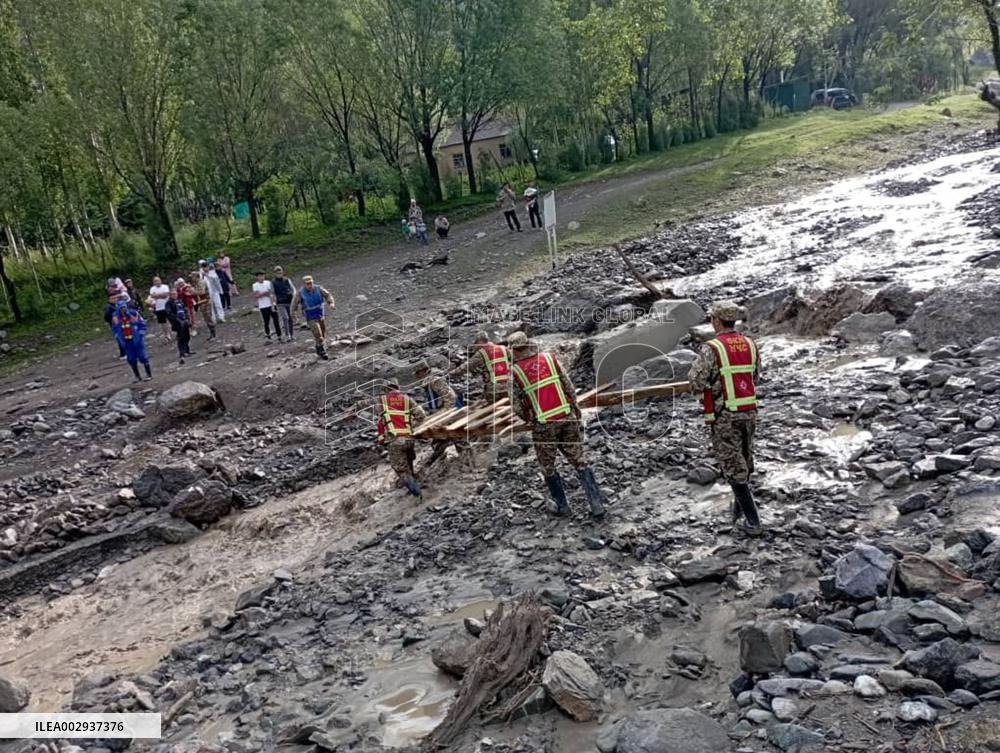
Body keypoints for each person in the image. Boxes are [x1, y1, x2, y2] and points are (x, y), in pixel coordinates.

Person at [509, 331, 605, 518]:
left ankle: (562, 506)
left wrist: (529, 418)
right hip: (566, 416)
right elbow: (568, 385)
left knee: (548, 465)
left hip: (544, 424)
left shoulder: (515, 371)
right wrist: (574, 408)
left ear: (514, 350)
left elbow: (515, 406)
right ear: (529, 344)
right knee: (579, 460)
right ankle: (596, 504)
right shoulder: (549, 358)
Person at [687, 300, 763, 537]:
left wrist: (712, 388)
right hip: (748, 410)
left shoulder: (713, 348)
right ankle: (737, 515)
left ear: (716, 320)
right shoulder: (750, 344)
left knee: (732, 465)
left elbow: (696, 382)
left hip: (725, 414)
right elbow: (755, 376)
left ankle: (753, 521)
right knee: (744, 460)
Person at [413, 359, 473, 468]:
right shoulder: (430, 381)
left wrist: (447, 415)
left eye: (417, 374)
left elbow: (450, 397)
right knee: (439, 442)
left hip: (450, 416)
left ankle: (470, 466)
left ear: (422, 371)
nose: (417, 377)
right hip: (444, 416)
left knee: (459, 440)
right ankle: (440, 468)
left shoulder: (435, 380)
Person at [377, 378, 426, 497]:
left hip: (394, 441)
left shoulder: (382, 400)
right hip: (409, 439)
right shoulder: (407, 399)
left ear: (386, 388)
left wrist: (381, 438)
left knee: (402, 469)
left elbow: (381, 422)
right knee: (408, 464)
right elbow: (421, 415)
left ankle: (418, 495)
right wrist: (411, 427)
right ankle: (413, 487)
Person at [452, 331, 511, 404]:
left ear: (480, 341)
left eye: (476, 343)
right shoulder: (503, 348)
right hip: (510, 386)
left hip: (494, 390)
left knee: (486, 401)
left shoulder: (481, 353)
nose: (475, 345)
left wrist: (451, 373)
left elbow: (466, 367)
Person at [290, 275, 335, 360]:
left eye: (311, 283)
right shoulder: (300, 293)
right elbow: (294, 304)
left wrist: (331, 303)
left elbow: (328, 295)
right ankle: (322, 351)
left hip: (320, 315)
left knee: (323, 332)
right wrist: (294, 315)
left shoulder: (318, 289)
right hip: (310, 317)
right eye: (307, 284)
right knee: (318, 334)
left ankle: (318, 347)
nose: (309, 285)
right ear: (304, 284)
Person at [111, 296, 152, 383]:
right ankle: (137, 376)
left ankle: (149, 375)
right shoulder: (115, 317)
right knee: (131, 359)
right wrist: (118, 336)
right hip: (126, 341)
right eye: (121, 308)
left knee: (142, 356)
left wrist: (140, 333)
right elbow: (115, 328)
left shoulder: (133, 313)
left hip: (136, 339)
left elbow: (142, 323)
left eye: (124, 307)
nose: (123, 309)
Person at [164, 288, 194, 364]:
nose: (175, 295)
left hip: (184, 320)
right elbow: (169, 314)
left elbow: (185, 310)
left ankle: (187, 350)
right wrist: (177, 320)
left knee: (187, 336)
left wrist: (187, 318)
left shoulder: (180, 301)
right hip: (177, 323)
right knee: (181, 337)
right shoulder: (168, 303)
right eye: (173, 294)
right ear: (170, 295)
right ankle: (182, 352)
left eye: (175, 294)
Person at [252, 271, 280, 339]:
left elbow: (272, 292)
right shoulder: (255, 285)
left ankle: (279, 335)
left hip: (272, 304)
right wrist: (264, 293)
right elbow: (256, 295)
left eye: (262, 276)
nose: (261, 277)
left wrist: (264, 294)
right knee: (266, 321)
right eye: (260, 276)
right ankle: (268, 335)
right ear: (257, 277)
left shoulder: (268, 283)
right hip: (263, 306)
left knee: (276, 320)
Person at [271, 265, 295, 342]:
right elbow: (272, 293)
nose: (279, 274)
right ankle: (287, 335)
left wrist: (294, 294)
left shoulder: (287, 280)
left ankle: (291, 334)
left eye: (280, 272)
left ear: (282, 272)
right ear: (275, 273)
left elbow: (293, 288)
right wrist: (273, 303)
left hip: (289, 301)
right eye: (277, 273)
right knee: (285, 318)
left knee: (290, 318)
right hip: (280, 303)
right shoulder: (273, 282)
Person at [192, 271, 218, 341]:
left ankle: (214, 334)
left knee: (208, 317)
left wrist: (193, 292)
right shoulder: (196, 283)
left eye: (192, 277)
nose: (192, 278)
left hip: (206, 302)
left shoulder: (201, 282)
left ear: (196, 277)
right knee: (206, 318)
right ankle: (211, 334)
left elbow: (202, 292)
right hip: (201, 302)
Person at [149, 276, 172, 341]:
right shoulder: (152, 288)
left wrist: (157, 296)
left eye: (158, 280)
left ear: (160, 280)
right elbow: (152, 296)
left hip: (167, 306)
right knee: (163, 322)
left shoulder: (165, 286)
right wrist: (161, 295)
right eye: (155, 281)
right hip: (159, 307)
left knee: (171, 319)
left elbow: (166, 295)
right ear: (153, 282)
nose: (157, 282)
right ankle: (166, 334)